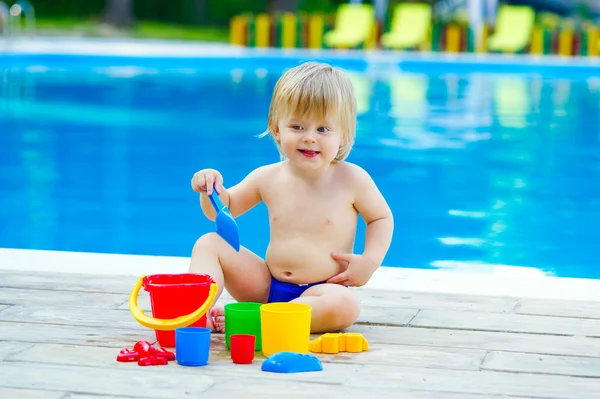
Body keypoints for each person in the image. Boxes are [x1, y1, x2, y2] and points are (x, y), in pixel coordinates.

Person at [189, 61, 394, 334]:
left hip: (321, 293)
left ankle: (265, 321)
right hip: (266, 286)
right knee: (209, 243)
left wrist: (369, 261)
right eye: (297, 127)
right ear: (277, 129)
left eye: (323, 129)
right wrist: (211, 189)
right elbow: (221, 212)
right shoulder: (267, 177)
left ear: (343, 136)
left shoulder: (352, 179)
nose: (309, 138)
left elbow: (381, 217)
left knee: (346, 306)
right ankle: (194, 314)